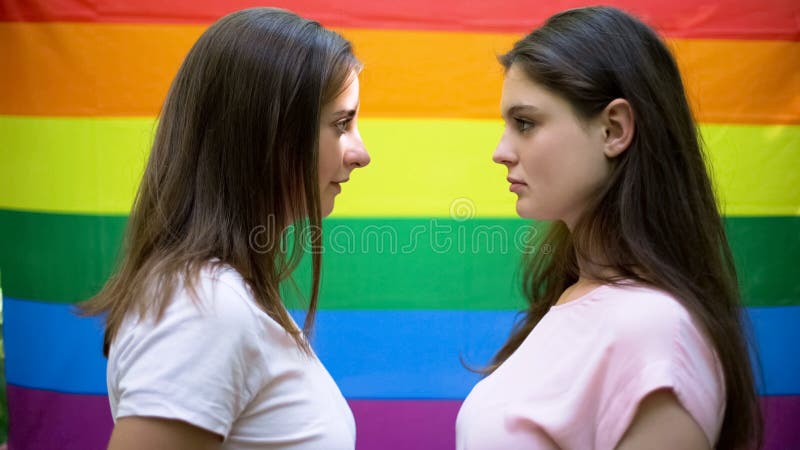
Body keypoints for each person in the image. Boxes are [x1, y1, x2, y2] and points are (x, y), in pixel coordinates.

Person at [456, 6, 761, 450]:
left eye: (525, 123)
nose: (501, 151)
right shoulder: (581, 295)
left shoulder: (656, 332)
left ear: (614, 129)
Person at [80, 7, 370, 449]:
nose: (360, 153)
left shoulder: (217, 297)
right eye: (341, 124)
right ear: (267, 134)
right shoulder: (202, 304)